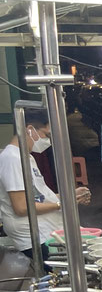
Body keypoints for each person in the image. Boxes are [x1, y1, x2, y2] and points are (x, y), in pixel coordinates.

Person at [0, 109, 91, 262]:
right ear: (29, 130)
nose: (48, 140)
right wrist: (62, 203)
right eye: (46, 135)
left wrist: (71, 195)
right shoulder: (12, 159)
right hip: (35, 235)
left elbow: (38, 196)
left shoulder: (26, 157)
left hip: (47, 229)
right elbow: (22, 207)